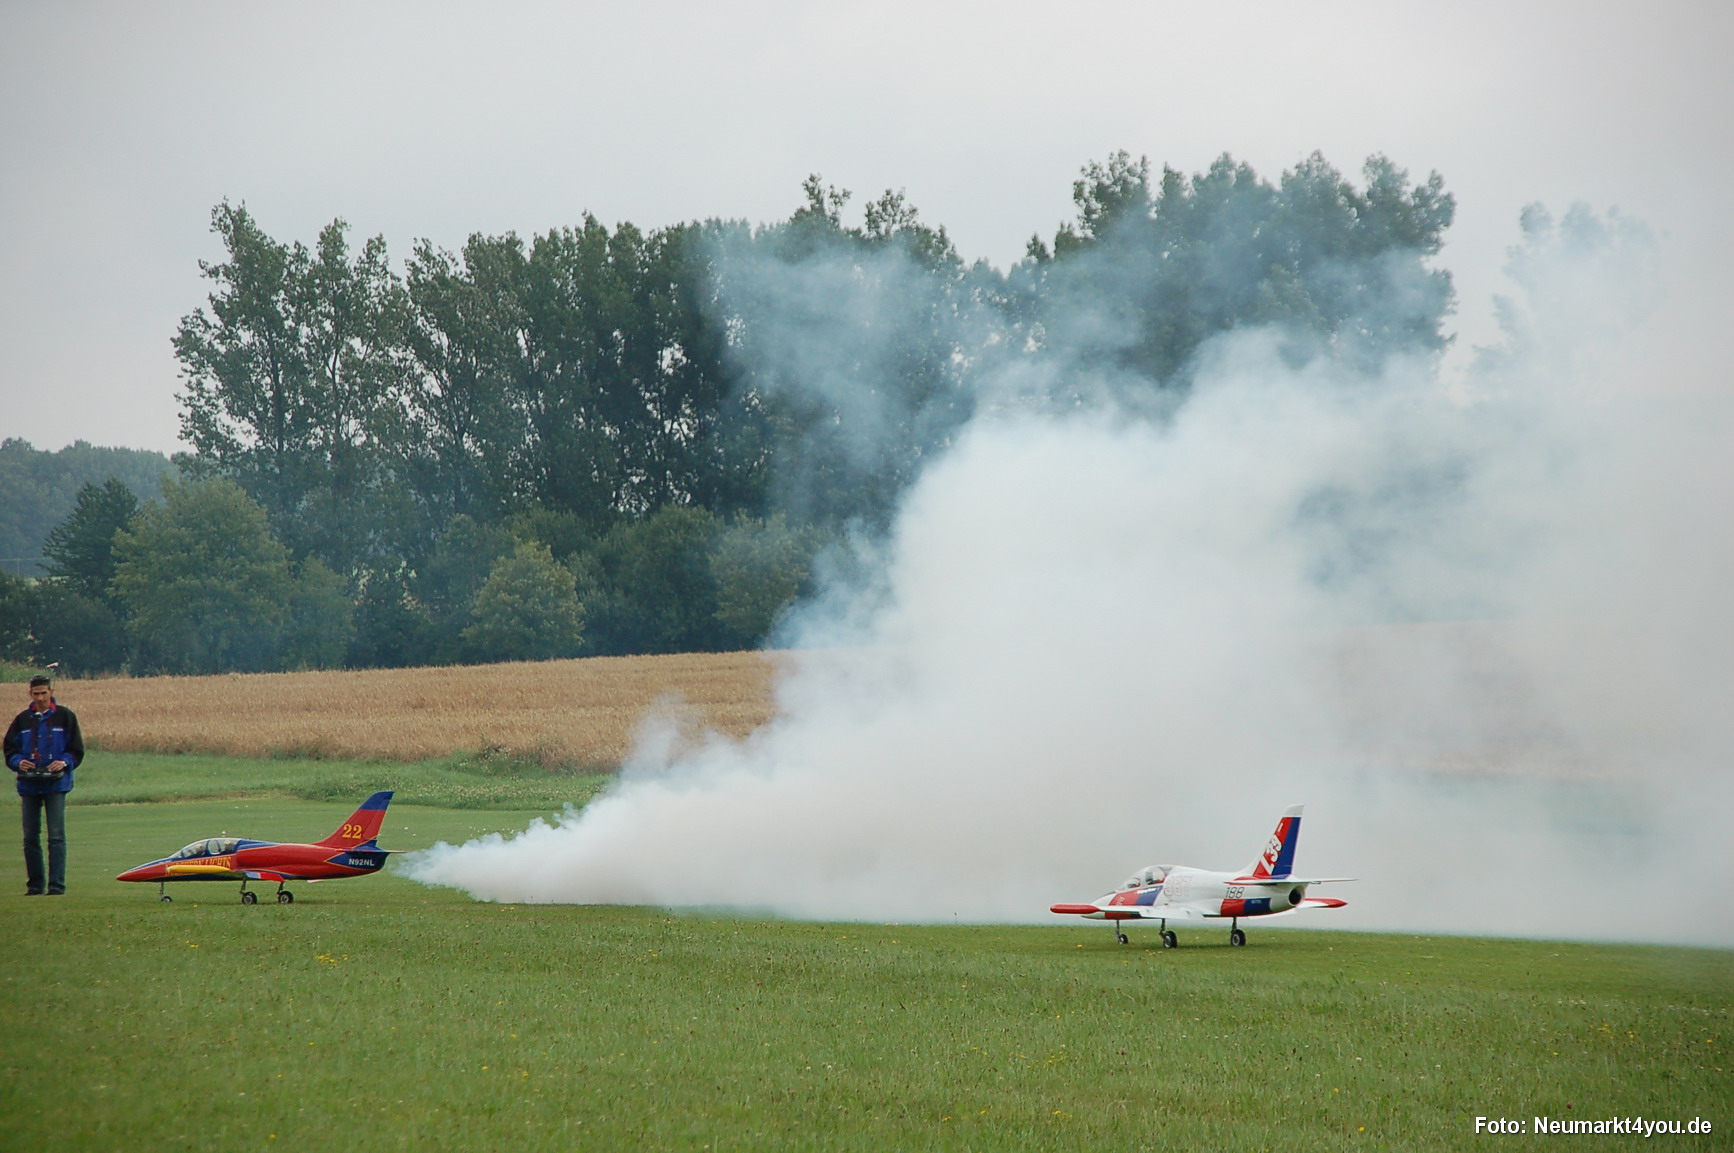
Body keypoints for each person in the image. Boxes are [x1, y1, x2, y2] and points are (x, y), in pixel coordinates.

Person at [5, 675, 82, 896]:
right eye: (36, 694)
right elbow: (10, 750)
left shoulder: (65, 717)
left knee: (56, 836)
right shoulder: (22, 720)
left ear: (51, 692)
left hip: (56, 784)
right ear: (30, 694)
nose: (40, 698)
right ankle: (35, 885)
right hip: (29, 785)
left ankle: (56, 885)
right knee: (30, 836)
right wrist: (18, 762)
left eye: (44, 693)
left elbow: (76, 750)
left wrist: (64, 762)